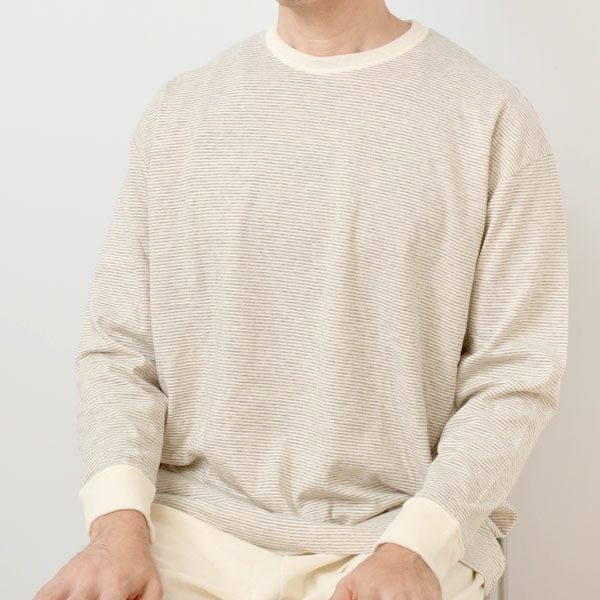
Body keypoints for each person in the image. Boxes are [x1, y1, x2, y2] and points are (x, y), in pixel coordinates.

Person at [34, 1, 569, 599]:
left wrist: (415, 548)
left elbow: (514, 376)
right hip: (185, 530)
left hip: (397, 539)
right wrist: (116, 530)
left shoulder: (489, 116)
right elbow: (119, 349)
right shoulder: (182, 112)